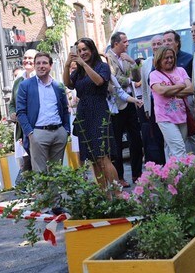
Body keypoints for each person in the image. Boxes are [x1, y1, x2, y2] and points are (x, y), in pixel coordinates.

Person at [63, 37, 120, 191]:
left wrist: (83, 64)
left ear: (92, 50)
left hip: (99, 111)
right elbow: (68, 84)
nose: (82, 53)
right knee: (93, 158)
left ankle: (117, 192)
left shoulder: (102, 66)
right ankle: (104, 196)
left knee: (103, 156)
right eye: (79, 50)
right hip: (84, 112)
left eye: (85, 50)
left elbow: (99, 81)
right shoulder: (78, 72)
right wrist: (68, 64)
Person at [17, 52, 70, 172]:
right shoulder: (25, 85)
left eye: (45, 63)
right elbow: (20, 112)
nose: (41, 66)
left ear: (50, 66)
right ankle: (43, 192)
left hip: (59, 132)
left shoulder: (58, 86)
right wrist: (30, 133)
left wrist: (66, 130)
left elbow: (65, 109)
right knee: (40, 173)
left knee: (56, 172)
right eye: (38, 63)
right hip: (38, 133)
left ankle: (55, 192)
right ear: (35, 66)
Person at [105, 32, 143, 184]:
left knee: (136, 140)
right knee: (117, 143)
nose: (127, 44)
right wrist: (129, 80)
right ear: (116, 43)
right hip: (116, 106)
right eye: (125, 42)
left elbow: (138, 78)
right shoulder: (107, 58)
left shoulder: (127, 57)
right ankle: (119, 177)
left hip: (130, 102)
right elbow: (114, 80)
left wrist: (133, 63)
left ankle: (137, 174)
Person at [150, 46, 194, 159]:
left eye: (171, 57)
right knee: (179, 149)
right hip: (165, 118)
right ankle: (183, 175)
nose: (170, 60)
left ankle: (170, 175)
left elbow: (191, 89)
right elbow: (161, 91)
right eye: (166, 58)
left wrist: (170, 91)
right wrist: (180, 85)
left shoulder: (181, 70)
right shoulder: (154, 74)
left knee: (174, 150)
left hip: (182, 116)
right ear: (159, 59)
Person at [163, 30, 195, 153]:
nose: (166, 43)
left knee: (189, 134)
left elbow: (191, 87)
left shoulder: (188, 58)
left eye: (169, 40)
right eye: (164, 41)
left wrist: (170, 92)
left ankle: (192, 162)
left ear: (177, 43)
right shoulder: (159, 62)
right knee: (170, 140)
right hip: (167, 106)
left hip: (187, 102)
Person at [9, 49, 37, 179]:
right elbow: (12, 103)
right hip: (22, 130)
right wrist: (12, 113)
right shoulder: (18, 81)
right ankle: (35, 192)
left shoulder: (42, 78)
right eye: (25, 58)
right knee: (26, 161)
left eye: (30, 58)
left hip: (38, 127)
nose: (27, 60)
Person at [140, 35, 166, 164]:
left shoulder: (168, 60)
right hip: (153, 105)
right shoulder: (146, 63)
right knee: (156, 137)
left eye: (159, 43)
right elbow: (144, 88)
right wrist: (146, 108)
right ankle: (161, 165)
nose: (156, 47)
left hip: (167, 105)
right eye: (154, 44)